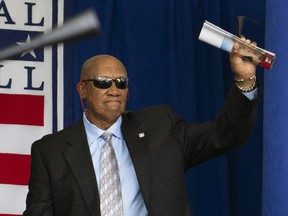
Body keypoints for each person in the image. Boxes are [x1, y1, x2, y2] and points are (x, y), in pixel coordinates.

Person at [24, 37, 260, 216]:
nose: (114, 90)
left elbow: (226, 135)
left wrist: (245, 80)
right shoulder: (50, 152)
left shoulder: (161, 128)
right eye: (104, 82)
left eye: (121, 82)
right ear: (83, 90)